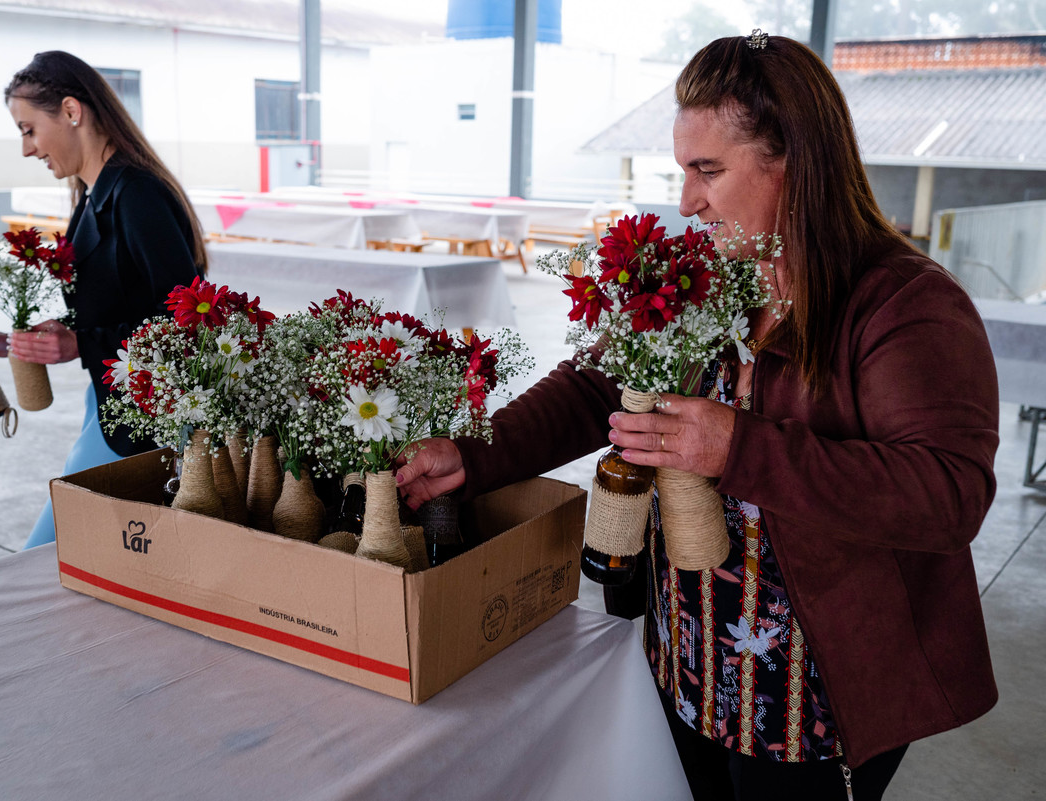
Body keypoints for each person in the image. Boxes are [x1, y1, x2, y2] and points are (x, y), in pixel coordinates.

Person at [396, 33, 998, 801]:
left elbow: (947, 495)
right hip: (688, 661)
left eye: (708, 171)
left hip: (815, 701)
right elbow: (594, 386)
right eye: (682, 171)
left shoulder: (903, 304)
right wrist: (477, 454)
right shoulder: (709, 273)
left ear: (795, 159)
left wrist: (739, 446)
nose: (686, 202)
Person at [0, 50, 205, 549]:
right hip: (108, 404)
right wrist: (19, 342)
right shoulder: (94, 196)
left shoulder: (136, 193)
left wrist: (81, 343)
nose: (27, 149)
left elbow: (189, 321)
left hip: (141, 416)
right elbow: (114, 305)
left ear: (72, 111)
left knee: (45, 556)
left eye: (29, 130)